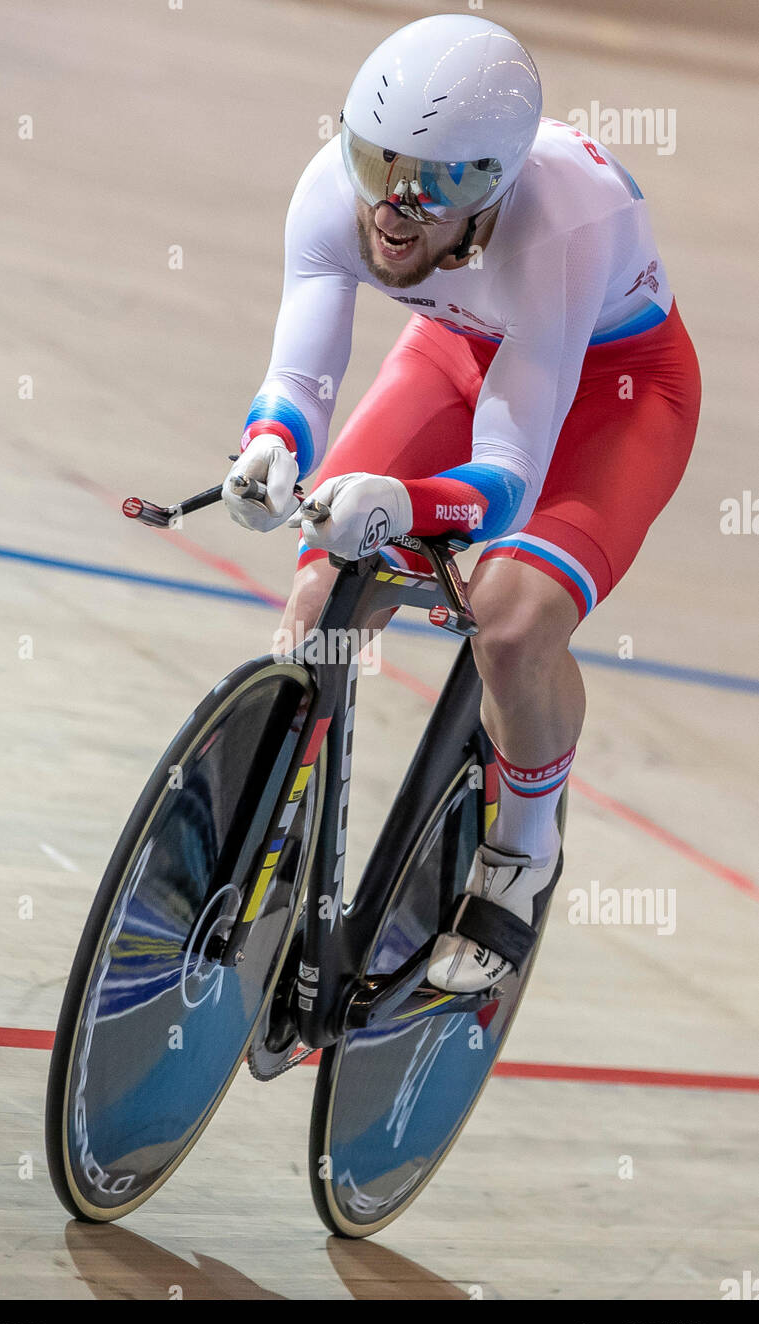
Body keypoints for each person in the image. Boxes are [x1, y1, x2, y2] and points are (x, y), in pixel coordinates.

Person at [220, 13, 701, 993]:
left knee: (512, 624)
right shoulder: (332, 193)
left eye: (433, 184)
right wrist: (271, 446)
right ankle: (273, 835)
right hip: (460, 349)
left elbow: (508, 474)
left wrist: (399, 500)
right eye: (375, 160)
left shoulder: (557, 225)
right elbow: (302, 375)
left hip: (613, 392)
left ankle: (521, 853)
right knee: (319, 593)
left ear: (494, 186)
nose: (392, 208)